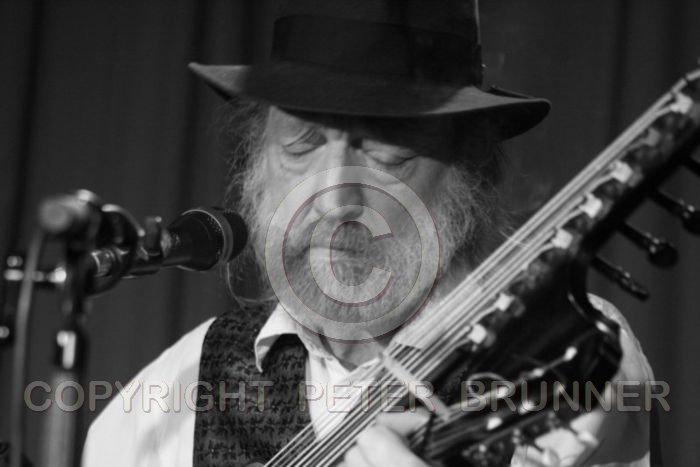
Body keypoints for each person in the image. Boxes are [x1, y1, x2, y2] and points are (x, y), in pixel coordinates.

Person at [82, 0, 655, 465]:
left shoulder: (566, 349)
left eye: (386, 151)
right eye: (302, 145)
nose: (335, 200)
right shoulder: (167, 402)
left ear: (470, 171)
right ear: (256, 163)